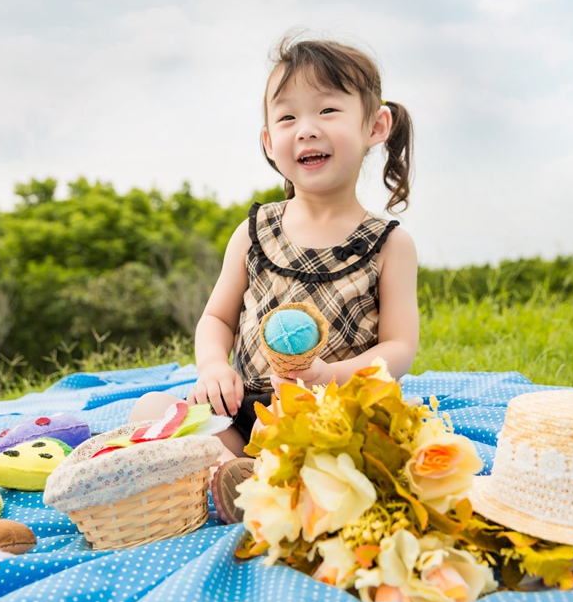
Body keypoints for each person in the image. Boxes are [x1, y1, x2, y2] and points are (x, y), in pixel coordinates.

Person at [128, 35, 419, 523]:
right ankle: (238, 472)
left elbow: (398, 349)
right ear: (268, 141)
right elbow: (216, 318)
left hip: (330, 415)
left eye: (328, 111)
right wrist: (213, 369)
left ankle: (272, 481)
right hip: (243, 410)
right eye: (287, 118)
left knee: (365, 457)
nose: (305, 130)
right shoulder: (255, 231)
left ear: (376, 125)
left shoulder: (388, 244)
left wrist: (331, 375)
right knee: (150, 407)